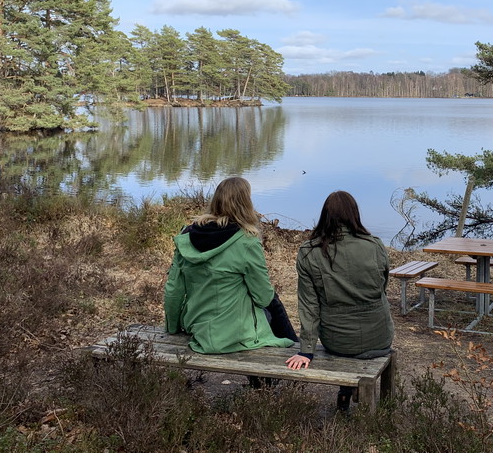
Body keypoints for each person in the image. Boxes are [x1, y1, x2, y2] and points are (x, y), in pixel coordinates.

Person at [164, 176, 297, 356]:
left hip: (198, 326)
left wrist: (173, 329)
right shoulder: (246, 241)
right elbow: (263, 297)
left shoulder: (186, 236)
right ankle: (292, 356)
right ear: (246, 203)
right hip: (234, 333)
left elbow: (173, 290)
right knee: (273, 303)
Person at [285, 190, 393, 411]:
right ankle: (348, 393)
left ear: (325, 215)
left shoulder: (308, 252)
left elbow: (309, 306)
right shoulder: (374, 245)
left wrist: (306, 350)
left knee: (345, 341)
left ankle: (346, 391)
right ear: (354, 214)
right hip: (380, 337)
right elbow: (382, 286)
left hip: (338, 342)